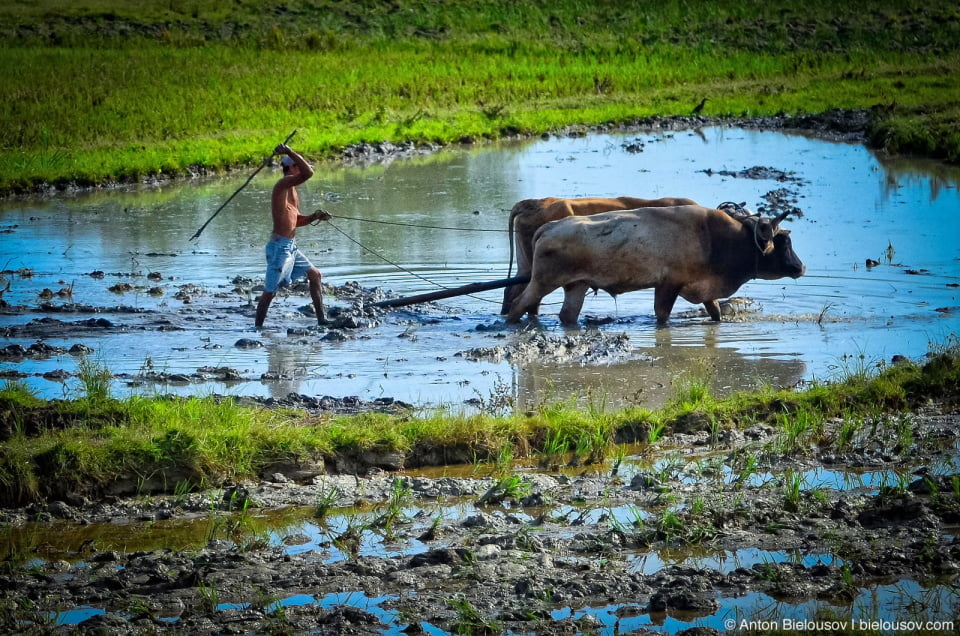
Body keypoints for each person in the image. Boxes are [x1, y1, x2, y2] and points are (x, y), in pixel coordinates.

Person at [255, 144, 331, 328]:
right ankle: (257, 328)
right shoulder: (282, 185)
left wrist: (315, 216)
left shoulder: (292, 191)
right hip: (279, 247)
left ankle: (321, 319)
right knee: (270, 292)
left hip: (291, 246)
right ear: (292, 167)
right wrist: (289, 152)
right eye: (298, 164)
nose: (301, 169)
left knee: (315, 275)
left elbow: (295, 221)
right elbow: (309, 173)